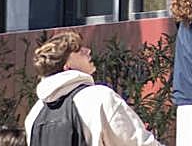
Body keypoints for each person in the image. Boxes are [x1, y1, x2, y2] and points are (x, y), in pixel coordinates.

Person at [23, 31, 163, 146]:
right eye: (78, 50)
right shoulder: (99, 97)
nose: (88, 51)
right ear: (66, 65)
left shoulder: (35, 114)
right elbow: (137, 142)